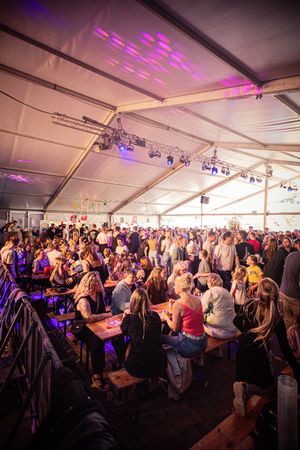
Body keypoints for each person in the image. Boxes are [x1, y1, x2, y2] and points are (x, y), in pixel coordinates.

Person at [232, 278, 300, 416]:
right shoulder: (276, 316)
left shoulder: (249, 305)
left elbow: (236, 321)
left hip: (242, 351)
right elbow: (285, 348)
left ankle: (244, 394)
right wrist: (296, 367)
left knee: (243, 380)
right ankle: (248, 391)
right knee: (270, 391)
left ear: (258, 293)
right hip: (258, 356)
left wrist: (246, 331)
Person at [71, 272, 111, 391]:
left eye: (98, 281)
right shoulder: (83, 299)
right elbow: (87, 318)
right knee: (96, 341)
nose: (98, 284)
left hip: (96, 324)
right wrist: (106, 315)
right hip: (82, 327)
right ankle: (97, 376)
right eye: (95, 282)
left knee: (117, 334)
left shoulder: (99, 294)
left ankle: (123, 362)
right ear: (88, 284)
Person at [120, 288, 167, 378]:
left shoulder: (129, 319)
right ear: (147, 301)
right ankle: (152, 383)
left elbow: (124, 331)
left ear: (132, 301)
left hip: (138, 366)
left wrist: (125, 317)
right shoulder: (155, 315)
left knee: (128, 344)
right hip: (159, 362)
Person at [161, 273, 207, 358]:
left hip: (189, 346)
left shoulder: (178, 304)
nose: (174, 287)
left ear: (181, 289)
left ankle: (174, 363)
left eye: (175, 285)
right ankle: (200, 359)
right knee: (176, 332)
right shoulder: (197, 299)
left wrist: (166, 317)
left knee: (162, 338)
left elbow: (175, 328)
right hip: (203, 342)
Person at [201, 273, 236, 341]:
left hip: (219, 331)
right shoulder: (227, 292)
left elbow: (202, 309)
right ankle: (216, 350)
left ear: (210, 283)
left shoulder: (210, 292)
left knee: (198, 318)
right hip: (232, 328)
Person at [280, 248, 300, 330]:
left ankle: (289, 338)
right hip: (294, 296)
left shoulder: (291, 255)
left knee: (288, 318)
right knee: (298, 321)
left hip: (284, 291)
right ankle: (296, 340)